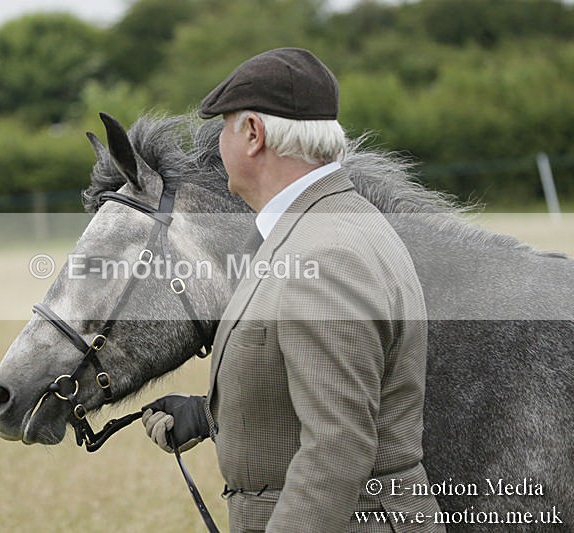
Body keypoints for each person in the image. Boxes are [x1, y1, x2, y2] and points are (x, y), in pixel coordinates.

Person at [141, 48, 444, 532]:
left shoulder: (323, 253)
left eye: (224, 127)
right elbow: (332, 387)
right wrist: (210, 415)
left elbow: (337, 445)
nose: (218, 144)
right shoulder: (328, 222)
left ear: (254, 135)